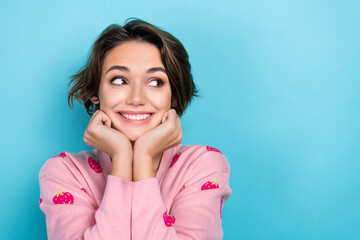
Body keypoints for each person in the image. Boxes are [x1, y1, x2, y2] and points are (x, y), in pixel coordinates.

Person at [38, 18, 232, 240]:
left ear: (175, 95)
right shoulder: (64, 172)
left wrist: (142, 156)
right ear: (95, 92)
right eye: (120, 81)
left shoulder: (202, 165)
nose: (136, 98)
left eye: (155, 82)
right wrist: (121, 156)